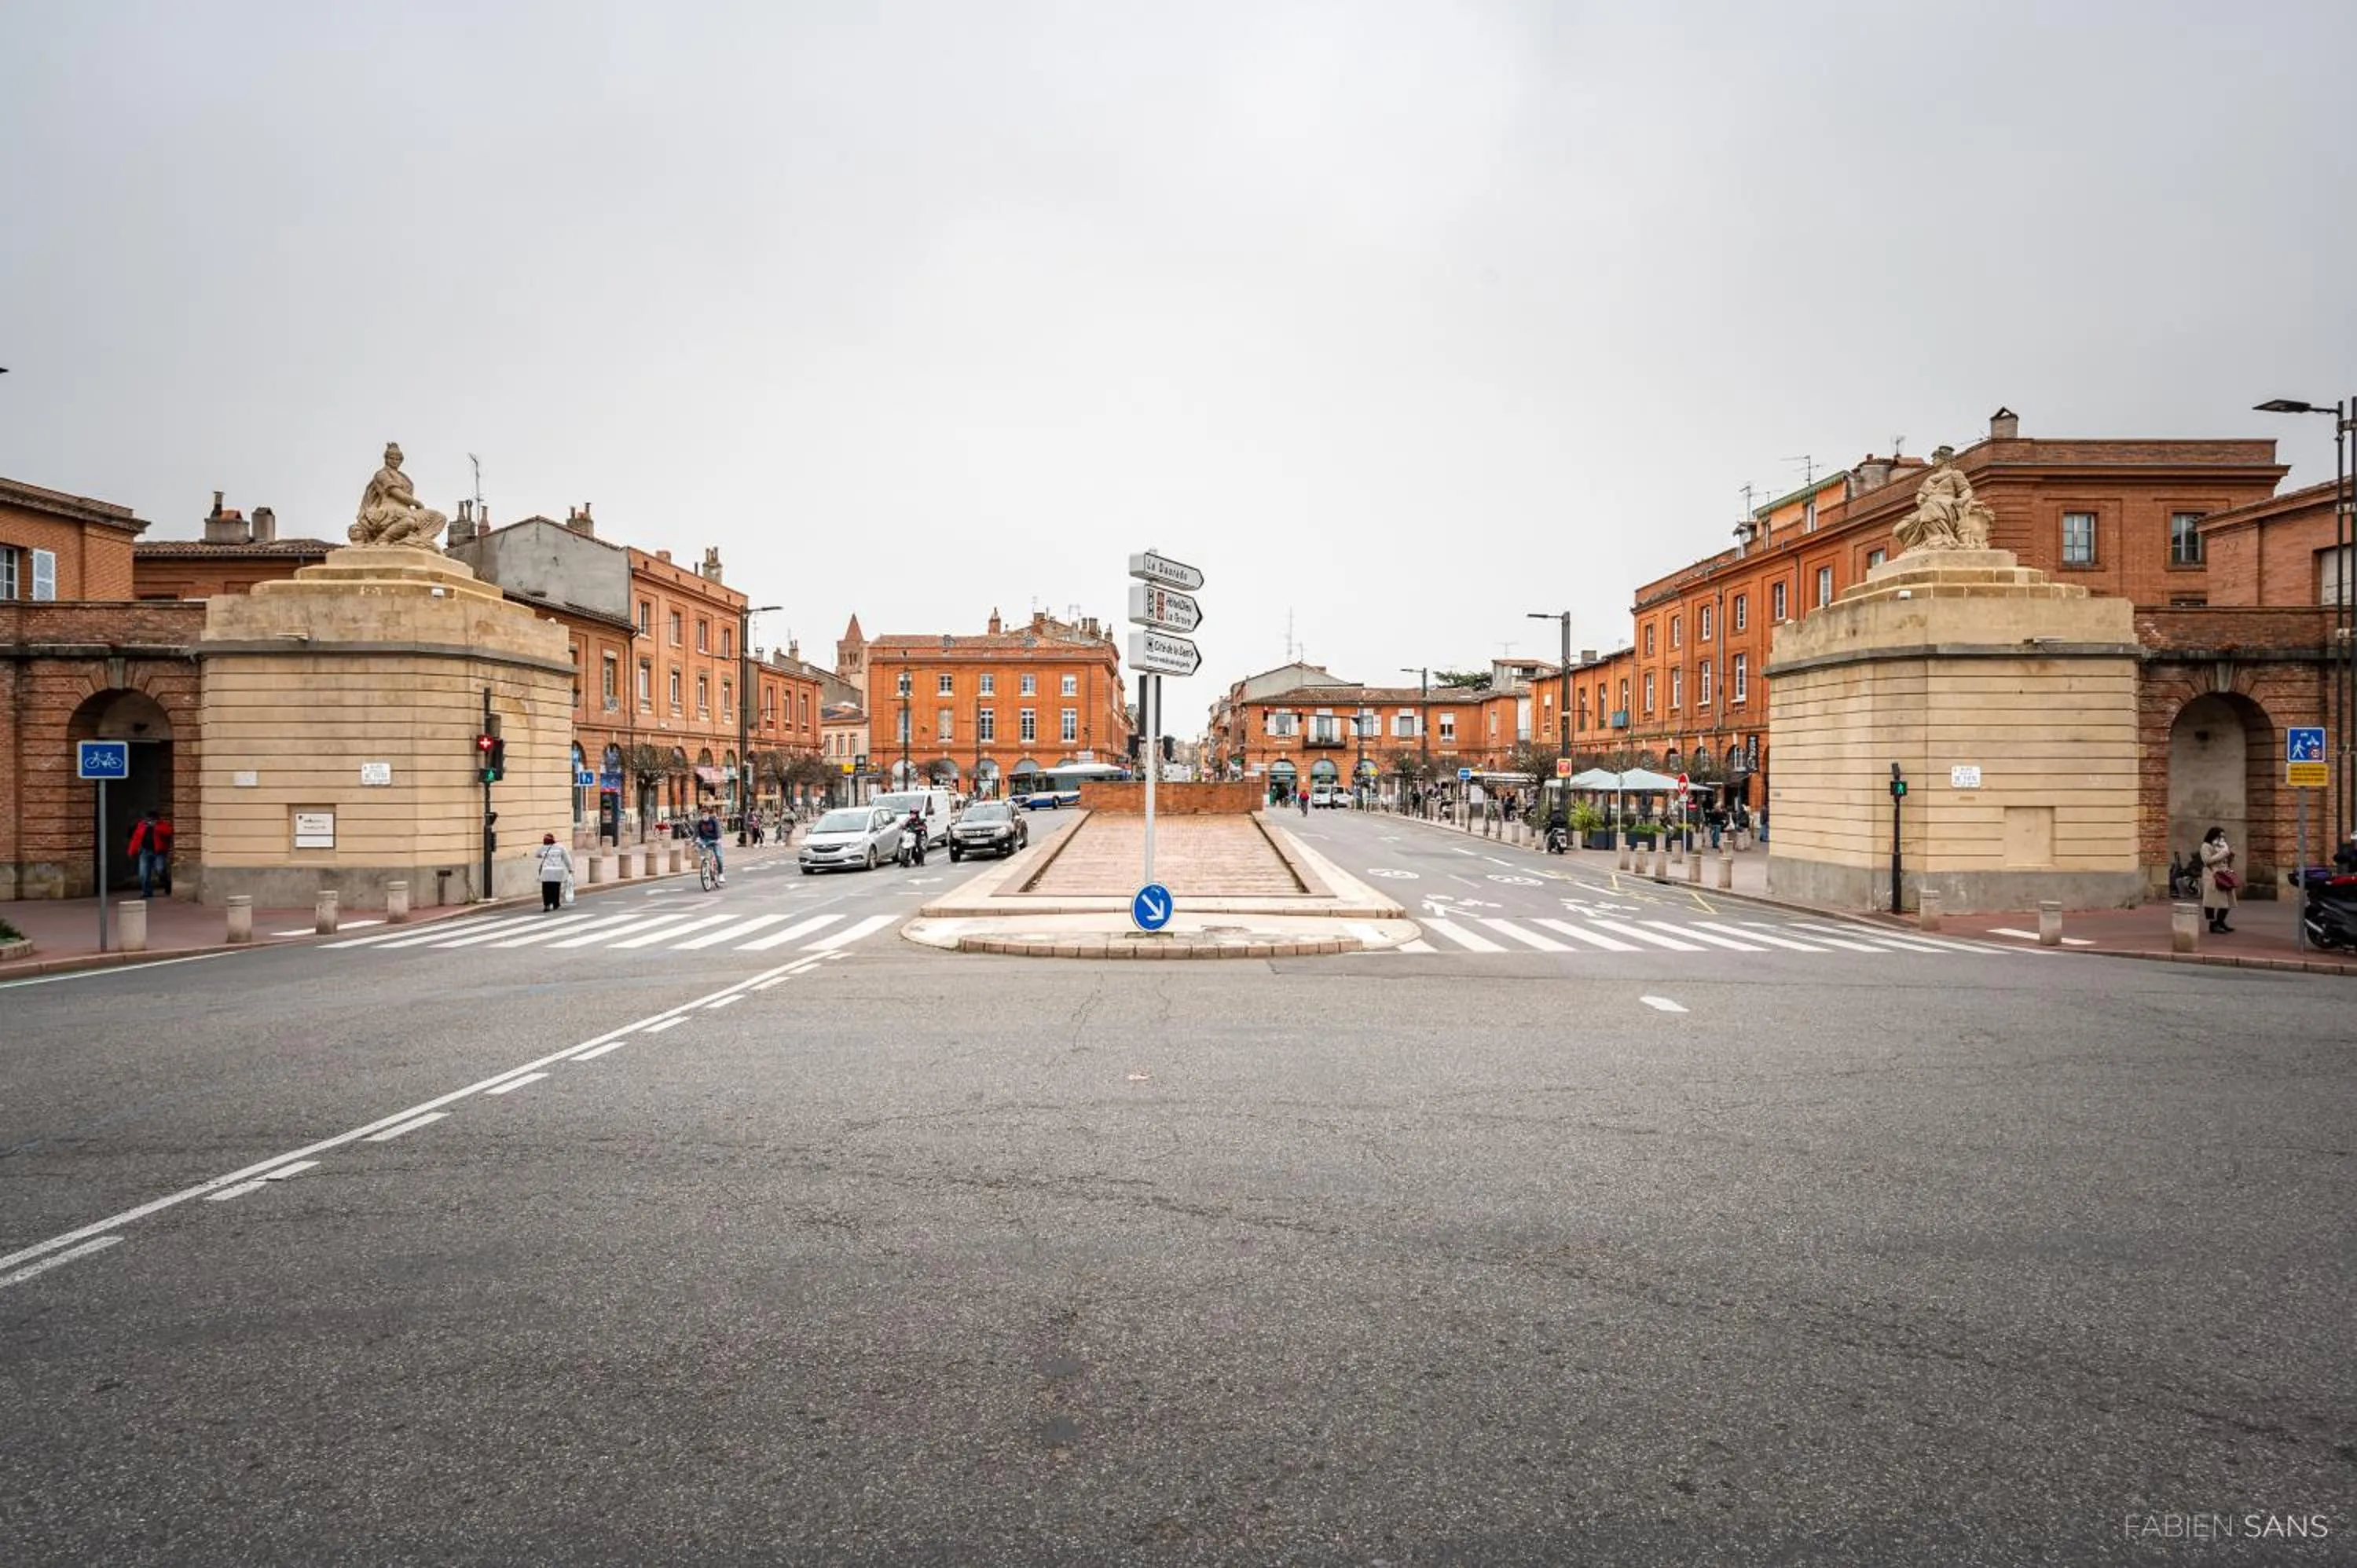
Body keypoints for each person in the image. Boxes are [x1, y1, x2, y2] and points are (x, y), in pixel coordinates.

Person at [128, 808, 173, 899]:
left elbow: (168, 832)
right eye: (148, 819)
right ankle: (147, 892)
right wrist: (132, 851)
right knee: (143, 873)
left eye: (151, 819)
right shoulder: (141, 825)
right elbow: (136, 839)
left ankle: (167, 884)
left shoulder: (162, 825)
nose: (149, 821)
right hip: (145, 851)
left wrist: (156, 827)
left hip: (158, 852)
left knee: (160, 870)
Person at [2199, 826, 2236, 934]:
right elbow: (2207, 861)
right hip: (2212, 875)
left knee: (2228, 900)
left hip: (2224, 874)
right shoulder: (2205, 846)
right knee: (2211, 901)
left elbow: (2226, 862)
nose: (2222, 839)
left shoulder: (2222, 847)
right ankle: (2213, 924)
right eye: (2220, 836)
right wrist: (2222, 854)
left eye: (2223, 837)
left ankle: (2221, 921)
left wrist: (2230, 855)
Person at [536, 833, 574, 912]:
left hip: (546, 872)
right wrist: (570, 869)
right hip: (557, 871)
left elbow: (537, 855)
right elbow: (567, 858)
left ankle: (547, 905)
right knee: (555, 888)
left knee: (546, 889)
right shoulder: (560, 847)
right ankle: (555, 904)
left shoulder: (543, 848)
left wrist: (544, 856)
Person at [696, 808, 725, 885]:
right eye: (702, 815)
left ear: (708, 815)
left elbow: (718, 831)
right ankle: (706, 865)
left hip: (715, 840)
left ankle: (721, 874)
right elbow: (697, 833)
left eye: (705, 814)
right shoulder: (700, 823)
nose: (704, 816)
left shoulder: (714, 821)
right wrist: (696, 840)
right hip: (705, 840)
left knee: (718, 856)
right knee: (702, 852)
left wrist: (719, 839)